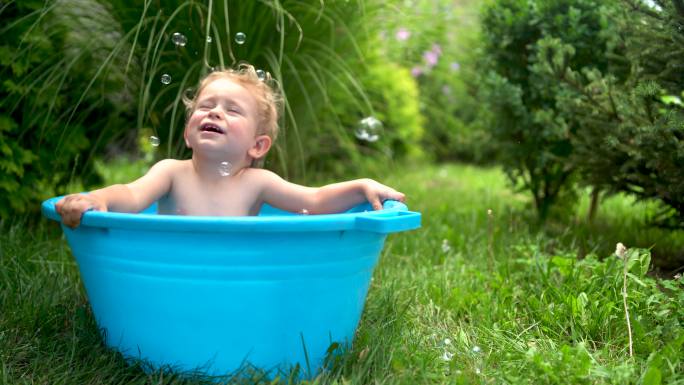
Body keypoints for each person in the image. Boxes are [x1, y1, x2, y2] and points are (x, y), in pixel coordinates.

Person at [56, 64, 405, 228]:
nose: (216, 113)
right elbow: (131, 197)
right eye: (206, 107)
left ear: (257, 145)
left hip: (234, 275)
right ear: (188, 133)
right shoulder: (171, 173)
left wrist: (361, 187)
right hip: (176, 273)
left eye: (232, 110)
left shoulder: (257, 183)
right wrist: (98, 198)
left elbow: (313, 202)